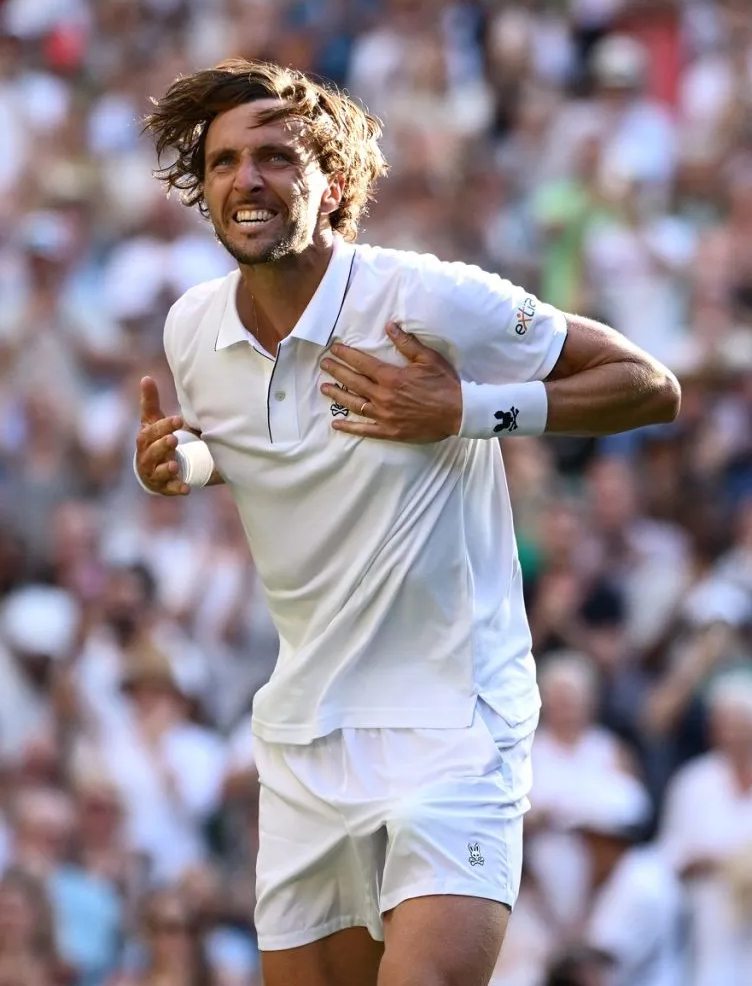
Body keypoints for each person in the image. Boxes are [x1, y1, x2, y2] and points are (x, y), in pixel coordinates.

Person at [133, 58, 681, 986]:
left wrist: (464, 406)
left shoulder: (424, 297)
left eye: (274, 156)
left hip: (456, 726)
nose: (245, 180)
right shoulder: (193, 328)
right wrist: (183, 465)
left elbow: (648, 385)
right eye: (223, 162)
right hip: (308, 738)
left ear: (332, 183)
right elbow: (272, 445)